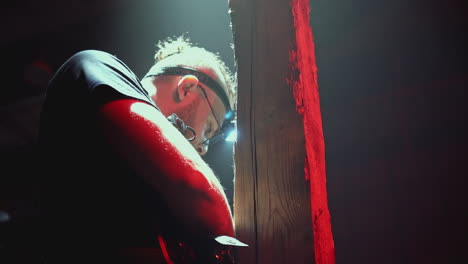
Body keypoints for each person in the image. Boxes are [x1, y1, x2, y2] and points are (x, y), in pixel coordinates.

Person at [37, 36, 240, 264]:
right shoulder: (99, 66)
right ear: (187, 89)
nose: (203, 147)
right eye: (209, 128)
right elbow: (203, 198)